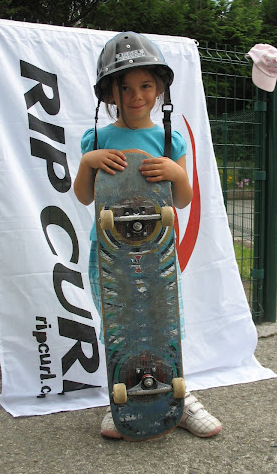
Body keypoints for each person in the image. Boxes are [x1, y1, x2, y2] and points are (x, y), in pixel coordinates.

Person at [74, 31, 222, 439]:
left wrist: (176, 171)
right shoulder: (98, 140)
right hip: (108, 254)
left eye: (145, 86)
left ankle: (180, 399)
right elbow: (85, 195)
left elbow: (185, 199)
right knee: (120, 326)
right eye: (125, 87)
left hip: (157, 253)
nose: (136, 95)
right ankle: (122, 403)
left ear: (159, 90)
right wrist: (88, 161)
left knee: (164, 324)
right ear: (110, 94)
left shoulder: (169, 139)